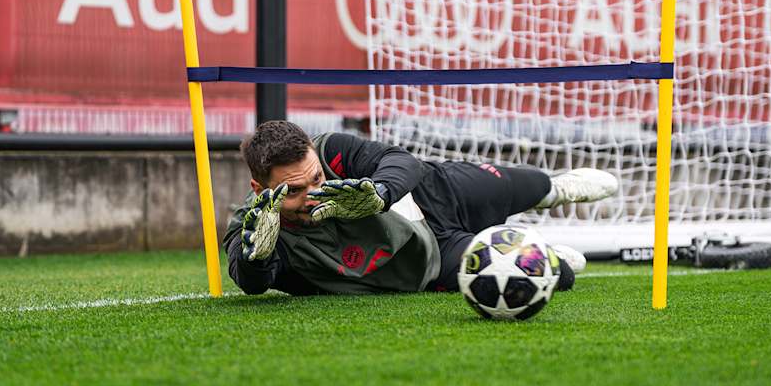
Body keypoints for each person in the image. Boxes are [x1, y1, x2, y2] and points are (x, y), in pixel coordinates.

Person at [224, 120, 618, 296]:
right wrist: (257, 257)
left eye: (317, 180)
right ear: (259, 187)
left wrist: (379, 193)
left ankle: (559, 190)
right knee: (556, 276)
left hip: (438, 191)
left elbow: (403, 162)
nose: (312, 194)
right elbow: (254, 281)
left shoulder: (330, 150)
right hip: (430, 259)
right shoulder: (252, 229)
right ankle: (536, 249)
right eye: (294, 190)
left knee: (534, 185)